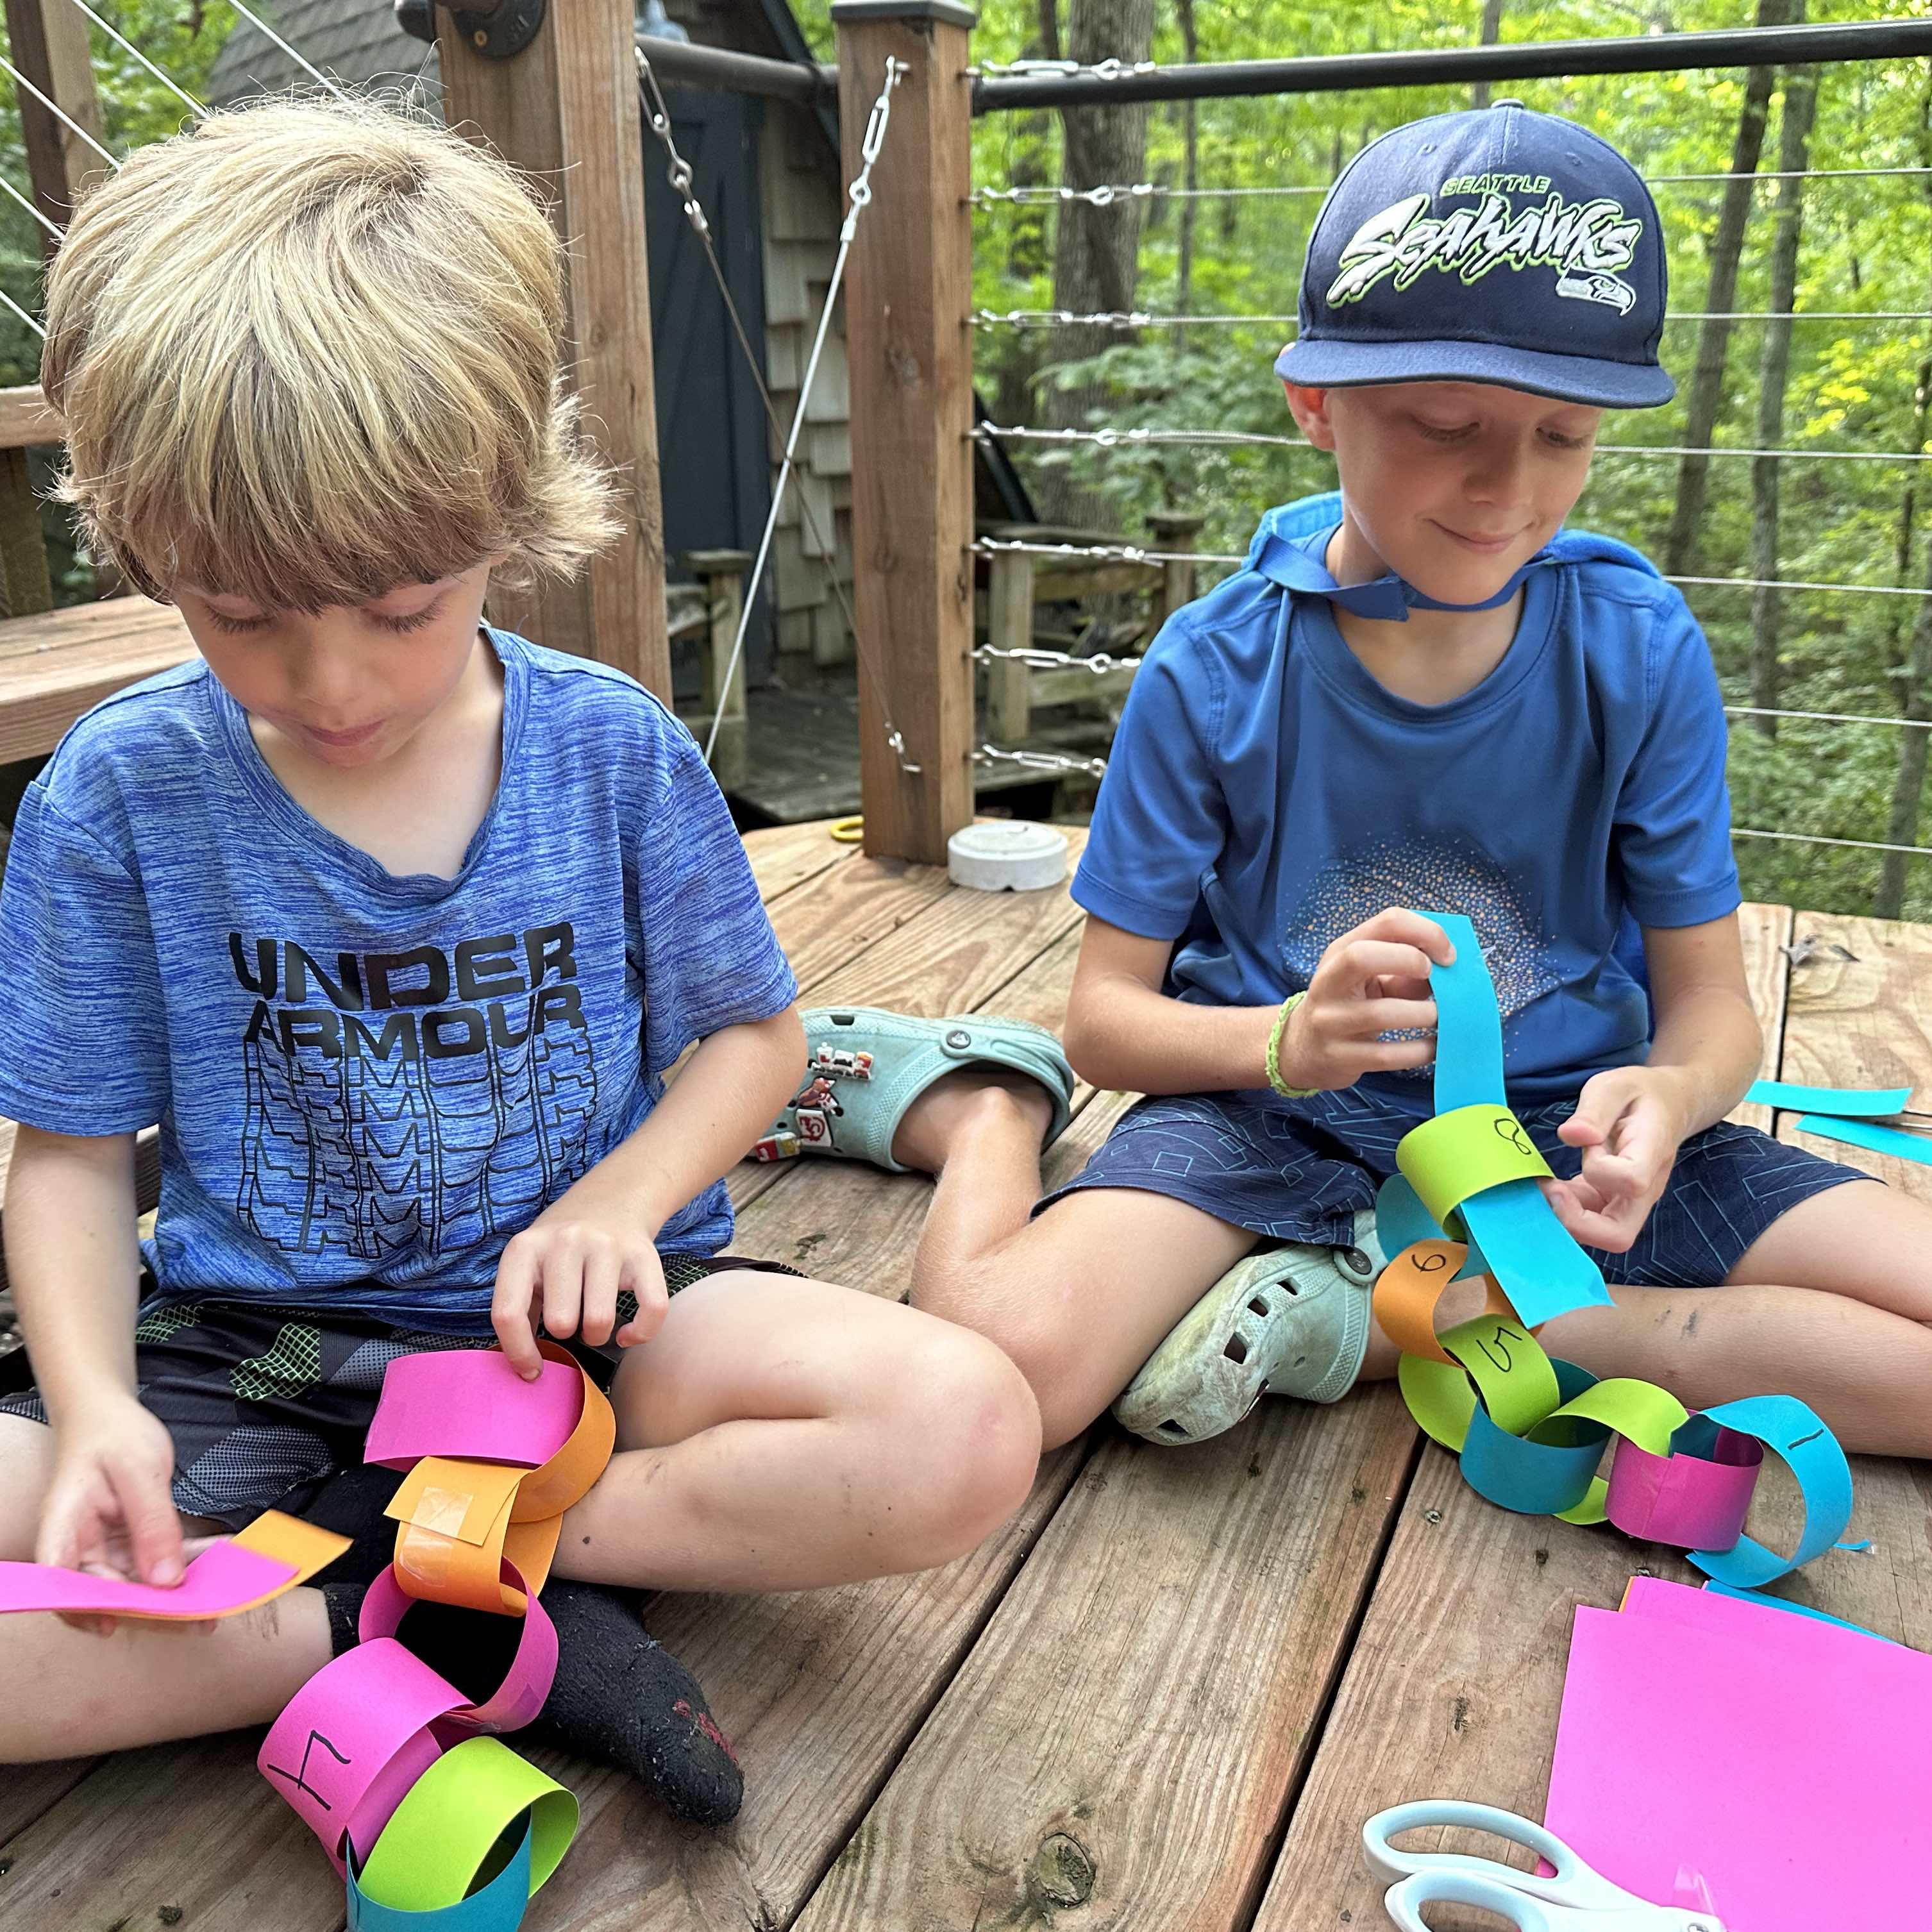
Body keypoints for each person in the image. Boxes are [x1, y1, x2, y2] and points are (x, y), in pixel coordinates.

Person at [0, 99, 1042, 1817]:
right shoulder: (118, 793)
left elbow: (753, 1043)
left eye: (402, 606)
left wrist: (618, 1202)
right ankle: (412, 1602)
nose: (332, 683)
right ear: (144, 545)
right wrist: (97, 1403)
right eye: (240, 612)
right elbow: (67, 1153)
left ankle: (440, 1568)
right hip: (252, 1351)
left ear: (507, 510)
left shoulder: (609, 751)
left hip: (580, 1349)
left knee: (962, 1425)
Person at [777, 102, 1932, 1466]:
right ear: (1316, 405)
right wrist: (1284, 1041)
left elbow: (1713, 1009)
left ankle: (1396, 1318)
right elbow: (1105, 1020)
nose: (1505, 485)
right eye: (1445, 423)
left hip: (1560, 1137)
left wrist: (1669, 1098)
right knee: (1003, 1372)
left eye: (1564, 434)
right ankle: (984, 1107)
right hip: (1271, 1117)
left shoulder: (1636, 650)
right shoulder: (1214, 669)